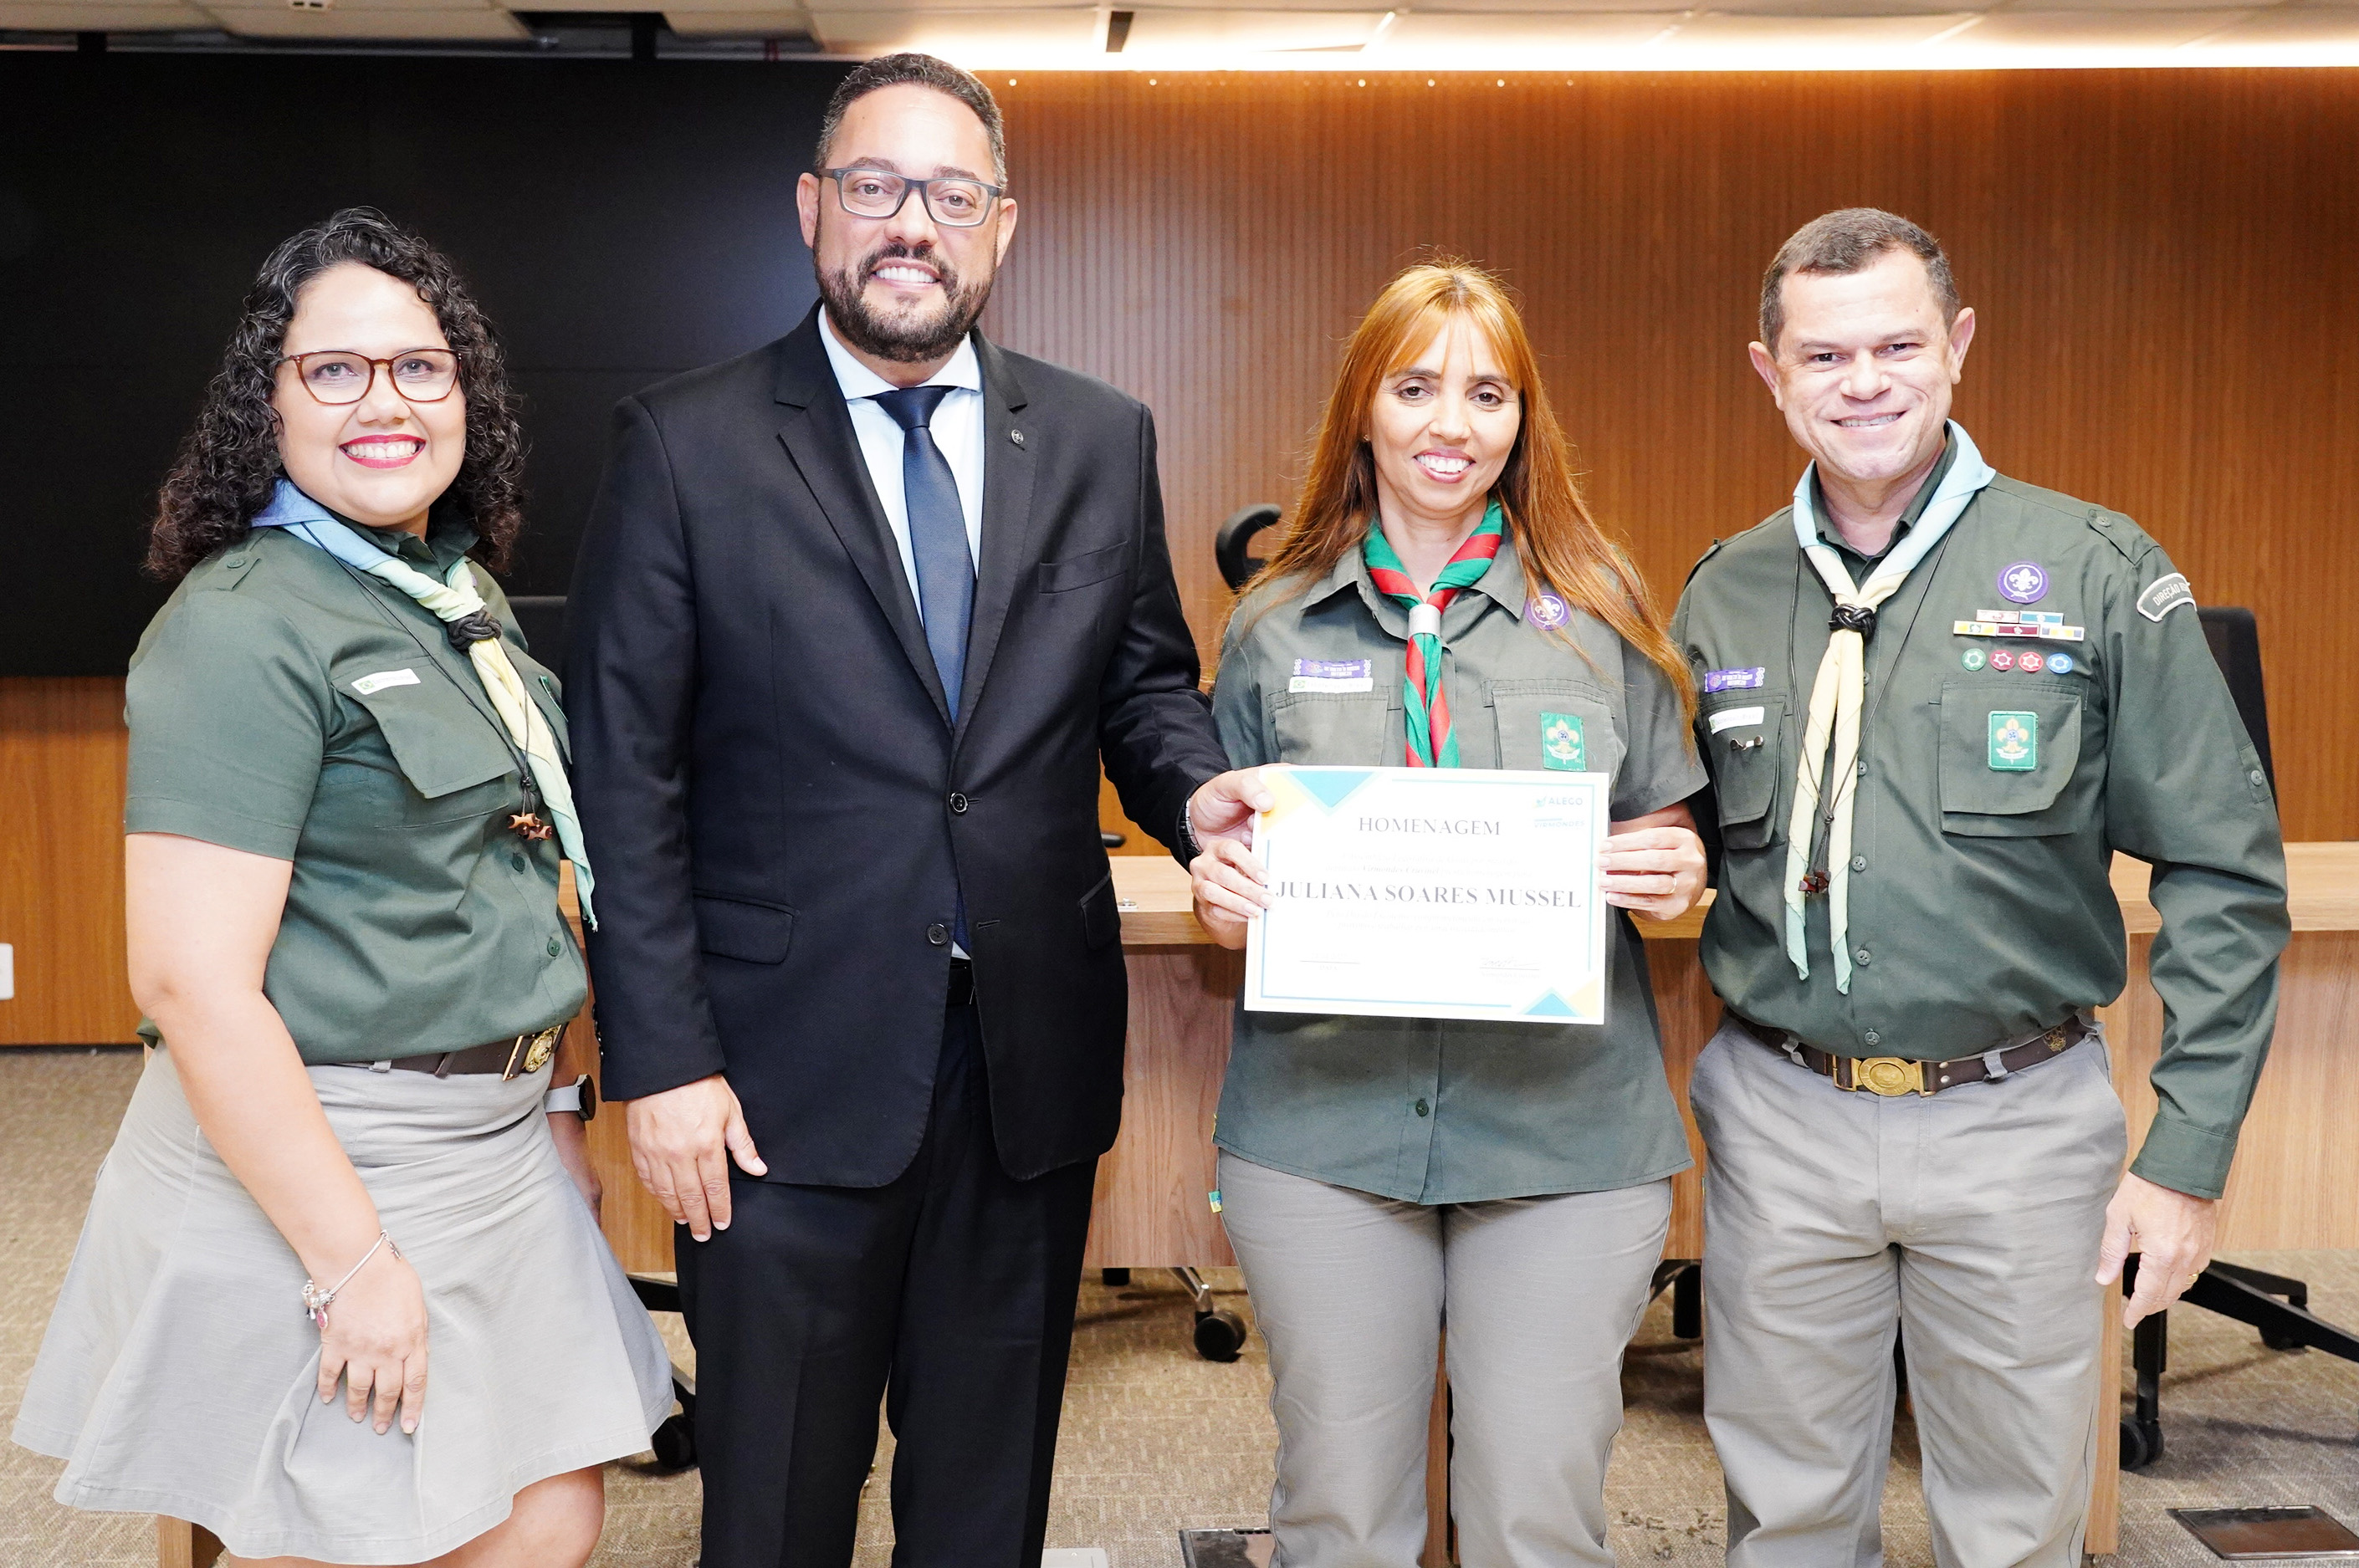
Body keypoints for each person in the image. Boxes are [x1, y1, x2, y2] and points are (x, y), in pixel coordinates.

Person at [566, 53, 1264, 1568]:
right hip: (775, 1084)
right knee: (777, 1508)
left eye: (951, 195)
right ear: (812, 209)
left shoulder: (1098, 437)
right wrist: (665, 1062)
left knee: (983, 1509)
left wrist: (1198, 790)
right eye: (876, 187)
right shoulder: (684, 444)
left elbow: (1143, 685)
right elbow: (626, 778)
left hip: (1025, 1072)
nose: (910, 225)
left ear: (1001, 226)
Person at [10, 208, 672, 1565]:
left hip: (490, 1148)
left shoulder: (450, 597)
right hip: (329, 1157)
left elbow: (509, 869)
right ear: (268, 405)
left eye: (421, 367)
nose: (386, 402)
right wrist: (353, 1262)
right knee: (357, 1535)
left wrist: (554, 1108)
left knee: (549, 1514)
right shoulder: (242, 622)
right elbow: (192, 985)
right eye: (335, 370)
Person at [1673, 207, 2289, 1566]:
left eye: (1898, 346)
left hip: (2018, 1120)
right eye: (1824, 355)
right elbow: (1678, 842)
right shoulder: (1722, 592)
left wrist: (2186, 1159)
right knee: (1784, 1516)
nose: (1865, 382)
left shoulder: (2095, 568)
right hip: (1782, 1115)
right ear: (1770, 373)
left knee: (2015, 1524)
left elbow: (2226, 871)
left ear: (1957, 346)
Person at [1185, 262, 1710, 1567]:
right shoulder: (1270, 625)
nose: (1451, 424)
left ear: (1523, 420)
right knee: (1340, 1509)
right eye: (1416, 387)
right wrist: (1225, 888)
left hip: (1563, 1132)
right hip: (1325, 1126)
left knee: (1537, 1512)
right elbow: (1227, 840)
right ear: (1362, 409)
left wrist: (1673, 869)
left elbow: (1671, 832)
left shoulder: (1601, 615)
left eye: (1488, 394)